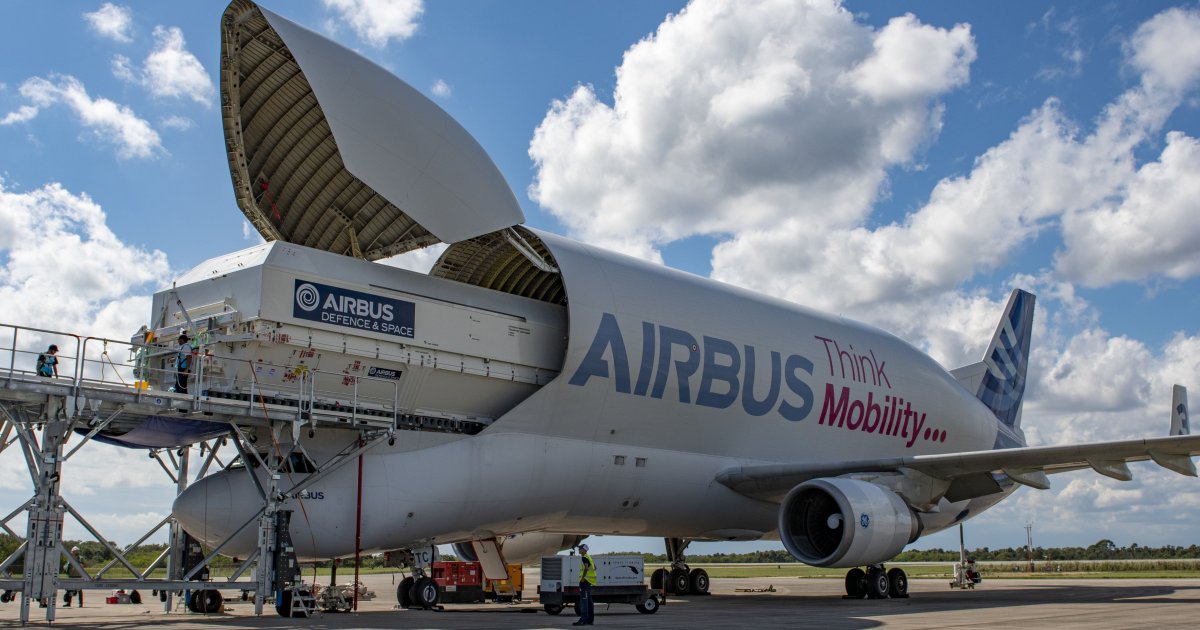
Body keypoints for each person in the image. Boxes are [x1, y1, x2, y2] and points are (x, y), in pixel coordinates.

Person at [574, 543, 596, 626]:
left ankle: (583, 619)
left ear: (584, 549)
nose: (579, 550)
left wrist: (583, 577)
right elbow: (594, 567)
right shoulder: (589, 557)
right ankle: (590, 620)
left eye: (580, 548)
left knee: (584, 601)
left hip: (585, 582)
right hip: (589, 582)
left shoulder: (584, 558)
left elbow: (586, 568)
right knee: (589, 601)